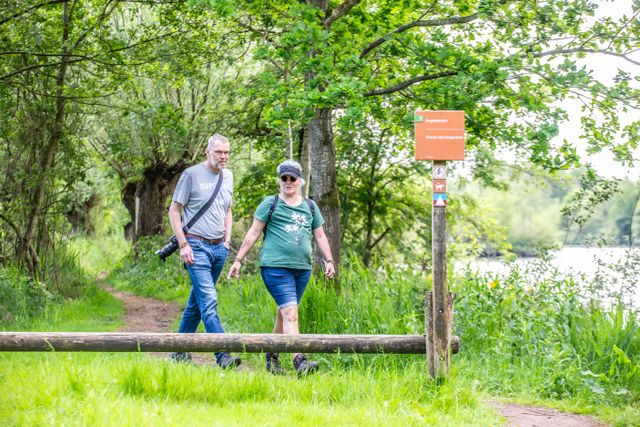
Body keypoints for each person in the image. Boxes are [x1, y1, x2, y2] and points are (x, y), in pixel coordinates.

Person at [228, 159, 335, 376]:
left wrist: (330, 261)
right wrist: (238, 260)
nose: (288, 182)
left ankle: (272, 352)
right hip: (275, 267)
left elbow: (320, 235)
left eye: (292, 178)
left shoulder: (310, 207)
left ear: (299, 181)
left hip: (302, 269)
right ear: (279, 181)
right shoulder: (270, 203)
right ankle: (300, 361)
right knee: (291, 314)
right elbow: (253, 233)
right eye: (284, 178)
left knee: (284, 313)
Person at [168, 134, 240, 369]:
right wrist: (183, 245)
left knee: (196, 304)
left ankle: (178, 352)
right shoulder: (190, 175)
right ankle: (223, 354)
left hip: (219, 248)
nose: (224, 156)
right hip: (196, 246)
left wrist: (228, 241)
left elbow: (227, 209)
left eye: (227, 152)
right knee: (209, 300)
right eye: (219, 152)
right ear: (208, 152)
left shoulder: (228, 176)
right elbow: (175, 211)